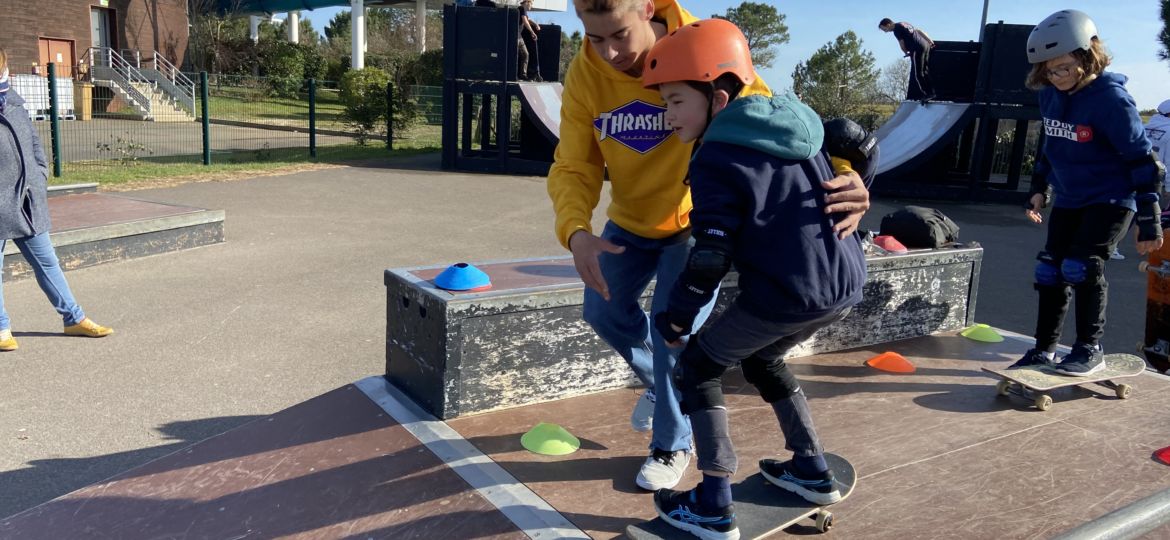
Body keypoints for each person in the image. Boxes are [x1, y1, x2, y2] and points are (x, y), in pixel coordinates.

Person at [547, 0, 872, 493]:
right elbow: (574, 163)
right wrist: (576, 231)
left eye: (619, 35)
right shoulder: (586, 75)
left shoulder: (705, 47)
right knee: (602, 312)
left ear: (646, 9)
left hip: (697, 220)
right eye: (595, 39)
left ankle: (673, 443)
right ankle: (666, 387)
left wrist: (847, 175)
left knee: (673, 334)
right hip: (631, 221)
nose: (610, 53)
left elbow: (776, 123)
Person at [640, 19, 868, 539]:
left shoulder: (718, 155)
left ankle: (713, 502)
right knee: (764, 359)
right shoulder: (796, 123)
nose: (667, 114)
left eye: (676, 101)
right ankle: (812, 469)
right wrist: (864, 181)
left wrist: (676, 317)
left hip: (787, 293)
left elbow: (710, 256)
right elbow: (859, 141)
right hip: (844, 283)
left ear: (718, 96)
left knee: (697, 368)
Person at [1015, 10, 1163, 376]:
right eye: (1049, 70)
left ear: (1086, 55)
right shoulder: (1050, 94)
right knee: (1049, 269)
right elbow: (1051, 144)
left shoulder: (1111, 99)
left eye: (1063, 67)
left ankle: (1088, 348)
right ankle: (1043, 350)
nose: (1056, 77)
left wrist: (1149, 217)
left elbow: (1142, 159)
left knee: (1080, 267)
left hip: (1112, 197)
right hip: (1070, 195)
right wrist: (1039, 187)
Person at [0, 48, 114, 351]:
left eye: (3, 67)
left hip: (26, 201)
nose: (4, 73)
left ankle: (73, 319)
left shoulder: (12, 101)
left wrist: (39, 173)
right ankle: (0, 329)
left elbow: (33, 142)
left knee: (48, 262)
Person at [879, 17, 936, 103]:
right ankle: (932, 92)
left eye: (884, 29)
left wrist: (906, 52)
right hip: (925, 45)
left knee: (918, 73)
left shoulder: (896, 30)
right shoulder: (904, 23)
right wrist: (929, 40)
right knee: (925, 70)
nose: (885, 32)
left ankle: (928, 94)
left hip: (917, 48)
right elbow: (919, 31)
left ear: (888, 24)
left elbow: (901, 43)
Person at [519, 0, 543, 82]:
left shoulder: (523, 11)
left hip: (519, 37)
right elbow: (525, 21)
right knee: (514, 55)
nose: (531, 6)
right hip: (514, 36)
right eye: (531, 4)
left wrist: (535, 24)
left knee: (526, 54)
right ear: (527, 2)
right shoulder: (521, 9)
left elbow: (527, 20)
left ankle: (523, 75)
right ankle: (511, 75)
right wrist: (532, 32)